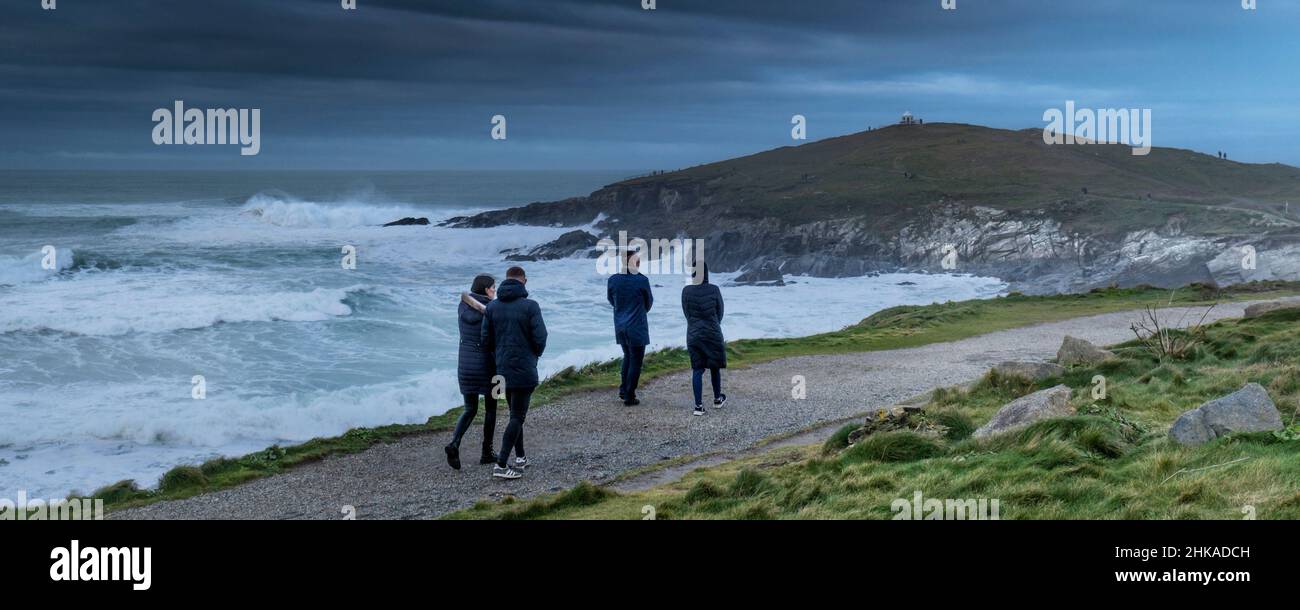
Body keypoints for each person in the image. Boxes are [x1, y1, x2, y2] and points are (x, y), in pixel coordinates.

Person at [444, 274, 524, 470]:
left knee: (470, 409)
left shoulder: (462, 306)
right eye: (493, 288)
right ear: (487, 290)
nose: (495, 291)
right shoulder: (492, 310)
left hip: (465, 364)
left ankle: (454, 443)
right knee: (491, 408)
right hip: (491, 365)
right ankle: (486, 452)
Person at [481, 266, 547, 480]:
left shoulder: (492, 307)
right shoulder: (530, 306)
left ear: (505, 281)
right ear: (524, 281)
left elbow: (486, 341)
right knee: (518, 416)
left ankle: (520, 457)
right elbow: (541, 337)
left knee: (513, 415)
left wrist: (499, 355)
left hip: (500, 370)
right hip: (524, 369)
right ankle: (501, 465)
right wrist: (534, 356)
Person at [606, 248, 653, 406]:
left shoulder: (613, 280)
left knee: (628, 356)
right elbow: (648, 303)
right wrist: (638, 311)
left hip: (620, 325)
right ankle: (629, 395)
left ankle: (623, 389)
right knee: (636, 360)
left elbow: (611, 300)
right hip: (636, 326)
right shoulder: (642, 280)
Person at [681, 263, 726, 416]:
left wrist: (695, 325)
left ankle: (698, 406)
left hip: (694, 334)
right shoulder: (714, 289)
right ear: (706, 273)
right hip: (713, 332)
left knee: (697, 369)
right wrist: (713, 324)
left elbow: (686, 313)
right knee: (714, 367)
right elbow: (720, 312)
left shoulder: (686, 291)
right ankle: (717, 399)